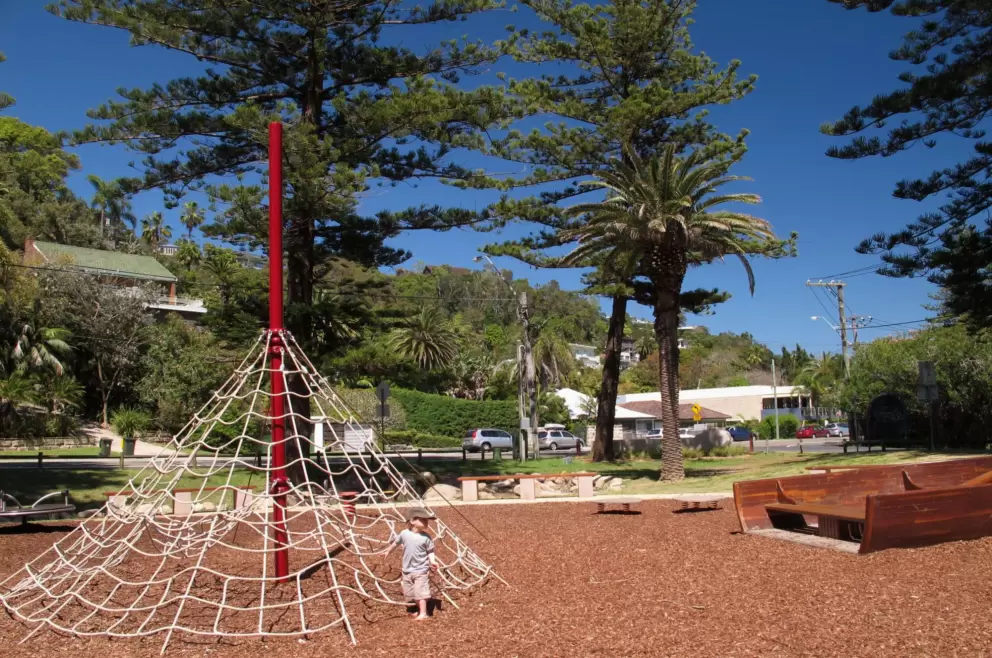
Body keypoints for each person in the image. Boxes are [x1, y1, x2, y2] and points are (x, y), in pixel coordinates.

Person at [384, 507, 438, 621]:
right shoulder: (404, 534)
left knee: (420, 593)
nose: (426, 522)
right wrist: (388, 551)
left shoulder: (426, 538)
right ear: (413, 520)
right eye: (423, 520)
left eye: (427, 520)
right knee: (410, 593)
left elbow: (430, 551)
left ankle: (424, 613)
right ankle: (417, 610)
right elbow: (396, 543)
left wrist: (432, 561)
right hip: (407, 570)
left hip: (421, 570)